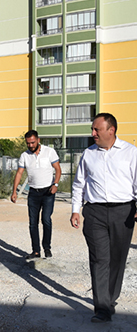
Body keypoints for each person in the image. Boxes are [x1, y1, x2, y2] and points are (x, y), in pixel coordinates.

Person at [71, 113, 137, 323]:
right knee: (99, 259)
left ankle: (110, 300)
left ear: (111, 130)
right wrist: (75, 209)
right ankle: (101, 308)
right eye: (92, 129)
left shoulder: (130, 152)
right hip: (95, 212)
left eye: (96, 130)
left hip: (123, 211)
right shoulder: (88, 154)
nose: (92, 134)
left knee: (117, 259)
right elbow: (78, 184)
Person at [11, 130, 61, 259]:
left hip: (48, 191)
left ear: (38, 140)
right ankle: (36, 251)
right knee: (33, 223)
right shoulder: (24, 156)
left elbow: (58, 169)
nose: (31, 145)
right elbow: (19, 173)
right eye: (28, 143)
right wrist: (14, 191)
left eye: (33, 142)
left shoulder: (49, 152)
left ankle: (47, 248)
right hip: (33, 192)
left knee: (46, 220)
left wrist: (55, 184)